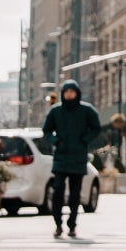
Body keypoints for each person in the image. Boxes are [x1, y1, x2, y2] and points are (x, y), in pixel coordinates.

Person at [42, 80, 101, 238]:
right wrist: (56, 141)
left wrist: (85, 140)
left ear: (77, 93)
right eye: (66, 91)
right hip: (61, 157)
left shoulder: (86, 110)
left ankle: (72, 224)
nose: (69, 94)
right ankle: (58, 224)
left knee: (75, 194)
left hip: (78, 157)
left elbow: (96, 127)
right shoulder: (56, 111)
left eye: (71, 91)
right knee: (58, 192)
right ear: (63, 93)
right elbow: (46, 131)